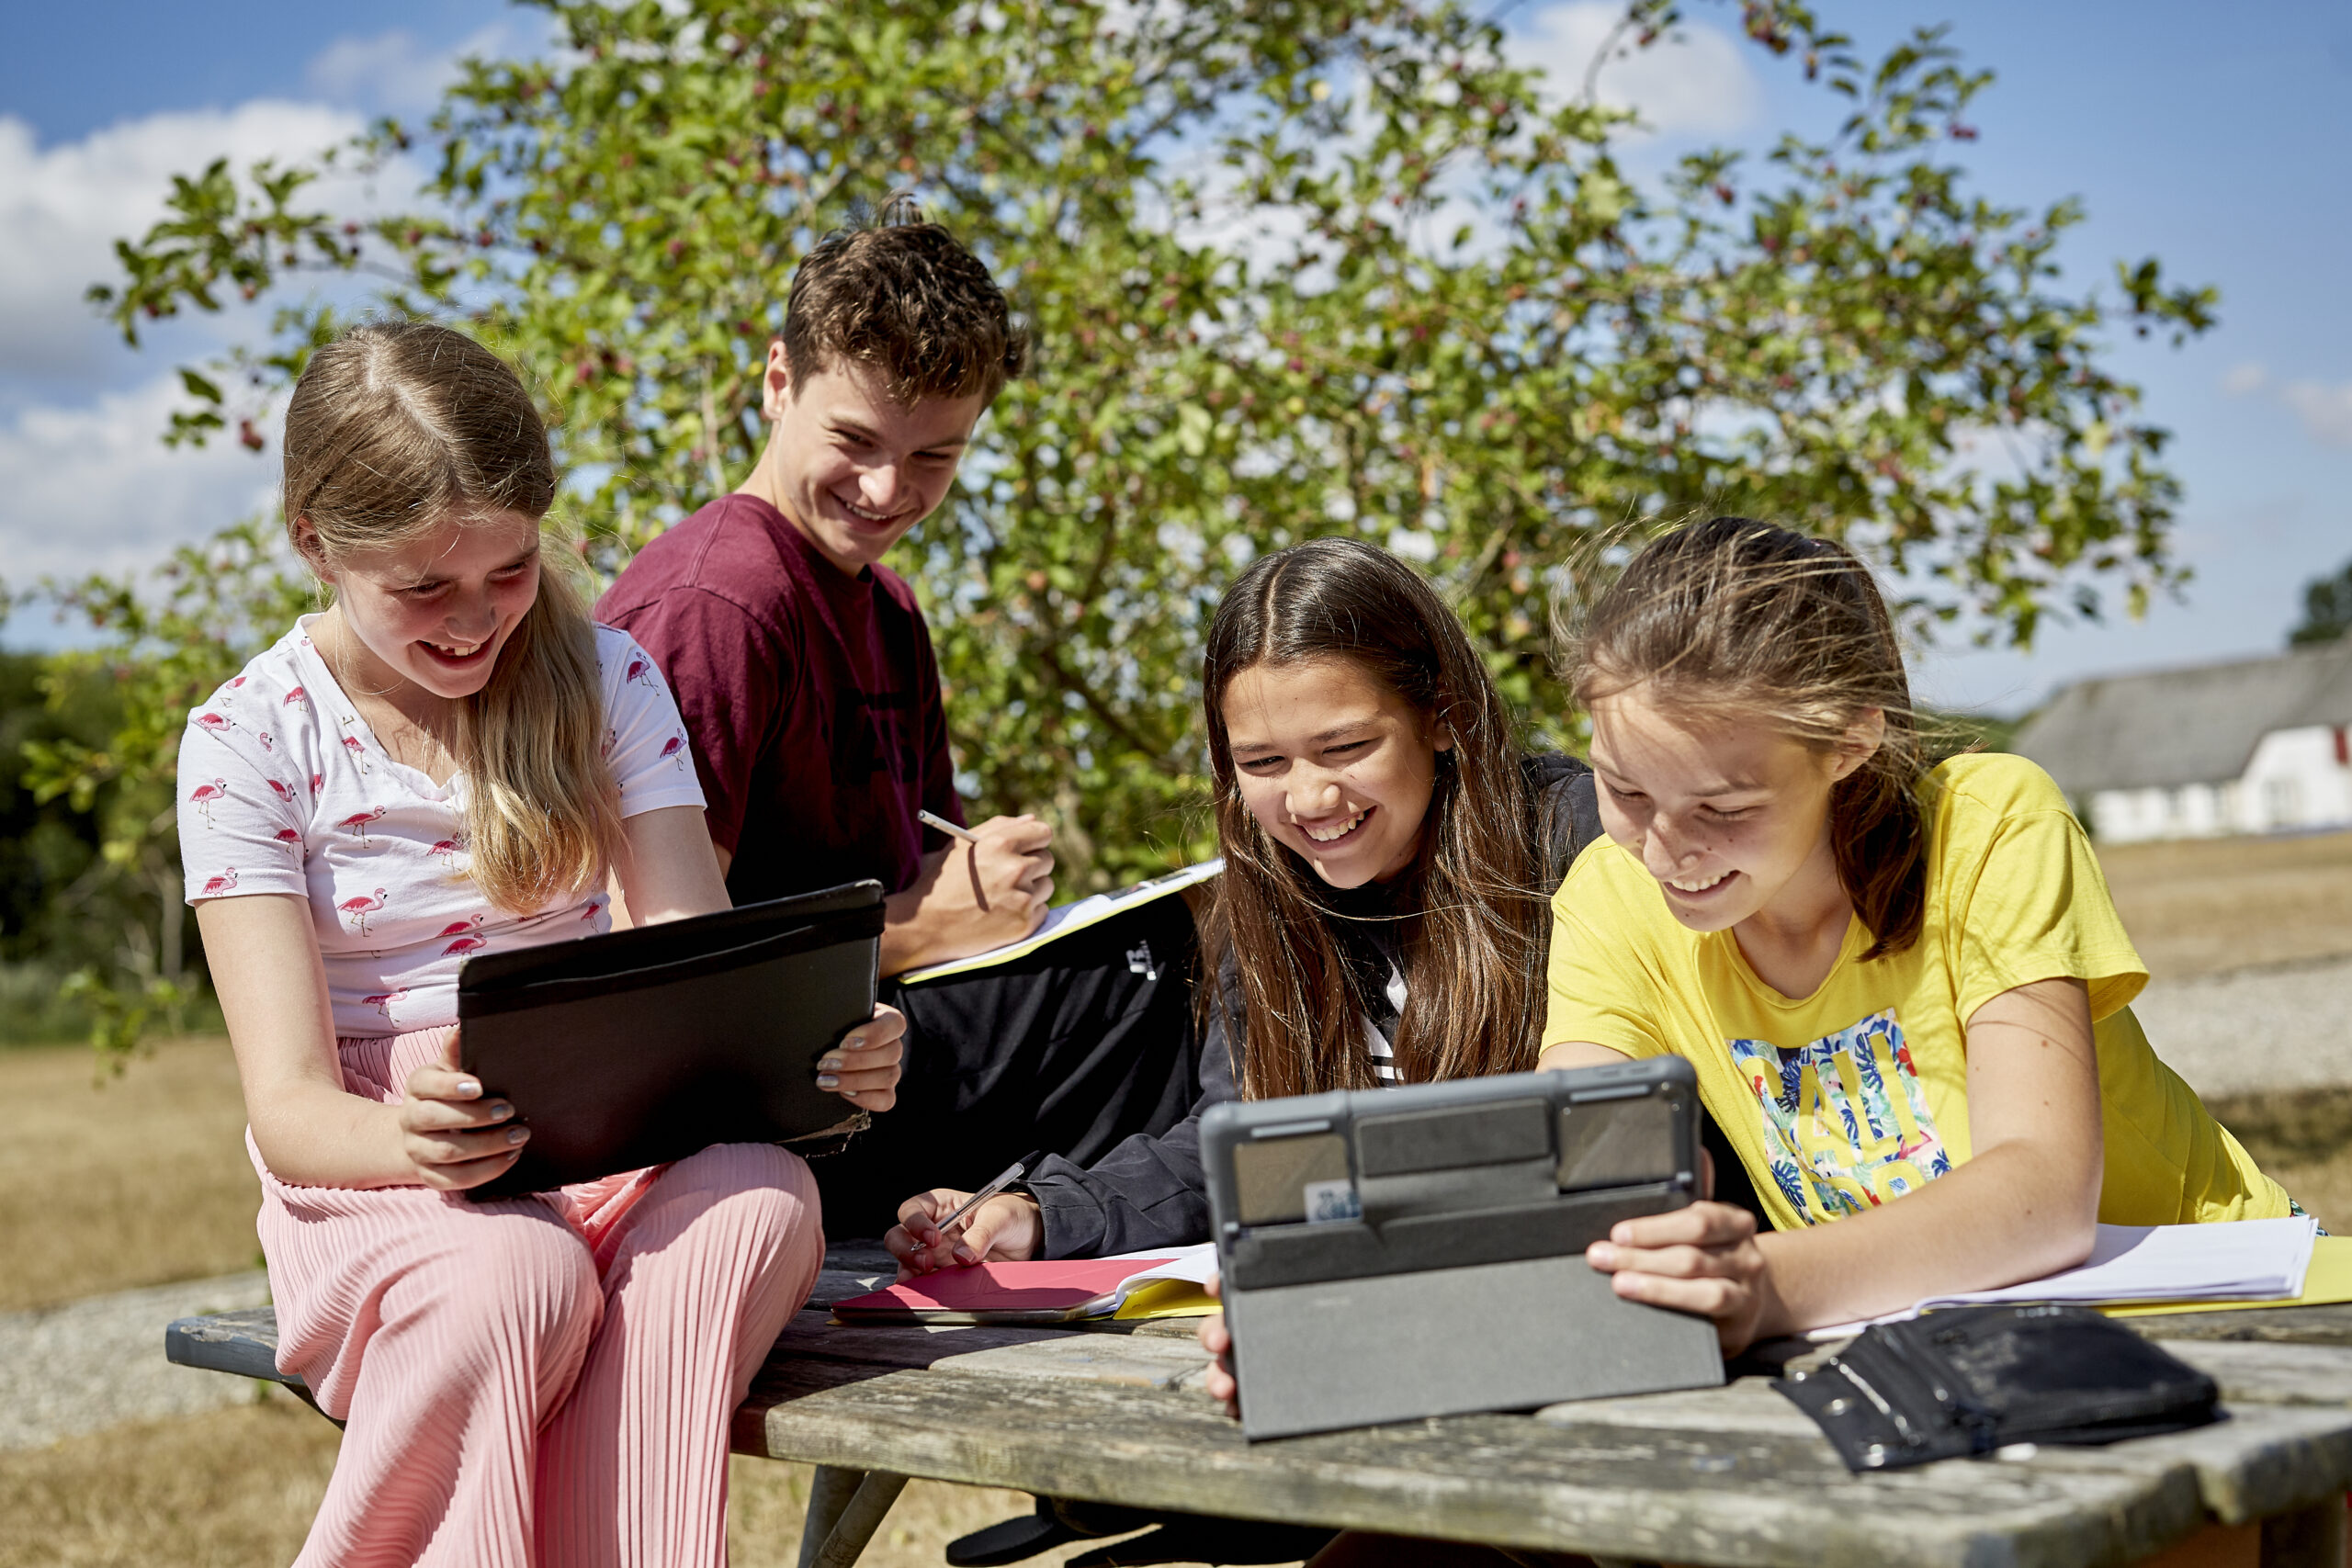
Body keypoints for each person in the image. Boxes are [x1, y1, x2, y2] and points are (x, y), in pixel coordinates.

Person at [180, 320, 904, 1568]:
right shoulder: (248, 738)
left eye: (507, 571)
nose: (475, 621)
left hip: (606, 1119)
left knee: (757, 1198)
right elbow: (292, 1107)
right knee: (516, 1277)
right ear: (313, 541)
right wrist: (408, 1134)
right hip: (379, 1160)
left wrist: (824, 1050)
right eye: (423, 587)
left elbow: (694, 965)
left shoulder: (607, 676)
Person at [1536, 516, 2298, 1355]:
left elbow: (2043, 1195)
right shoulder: (1611, 892)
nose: (1666, 846)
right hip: (1943, 1350)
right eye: (1626, 791)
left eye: (1724, 807)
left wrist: (1769, 1283)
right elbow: (1581, 1156)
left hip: (2236, 1316)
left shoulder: (1989, 825)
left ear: (1851, 741)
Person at [595, 205, 1199, 1238]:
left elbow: (925, 882)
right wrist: (921, 929)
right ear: (778, 380)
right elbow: (645, 982)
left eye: (935, 459)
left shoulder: (889, 609)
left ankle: (1044, 1241)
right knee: (1141, 985)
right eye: (855, 441)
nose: (886, 490)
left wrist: (985, 895)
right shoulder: (715, 607)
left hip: (868, 1049)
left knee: (1164, 944)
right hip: (738, 1121)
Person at [886, 535, 1705, 1271]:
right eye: (1263, 762)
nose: (1310, 798)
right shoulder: (1269, 890)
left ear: (1444, 716)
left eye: (1347, 747)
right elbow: (1242, 1145)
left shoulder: (1582, 845)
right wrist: (1039, 1215)